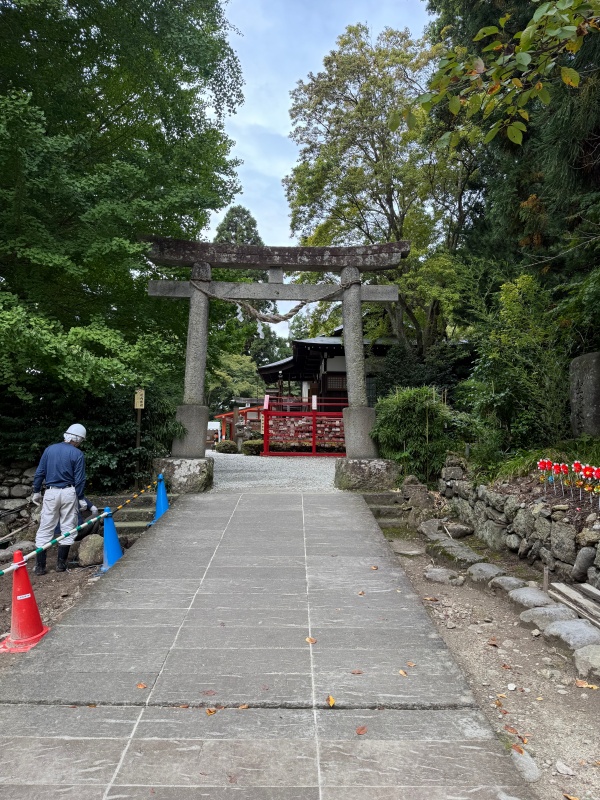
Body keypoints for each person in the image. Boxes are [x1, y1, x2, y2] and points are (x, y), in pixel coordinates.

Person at [31, 424, 87, 575]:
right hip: (69, 492)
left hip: (50, 492)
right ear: (77, 438)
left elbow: (40, 472)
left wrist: (36, 491)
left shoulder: (49, 450)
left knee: (46, 527)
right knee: (68, 526)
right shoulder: (77, 454)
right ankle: (61, 565)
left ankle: (40, 567)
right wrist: (81, 498)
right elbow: (80, 480)